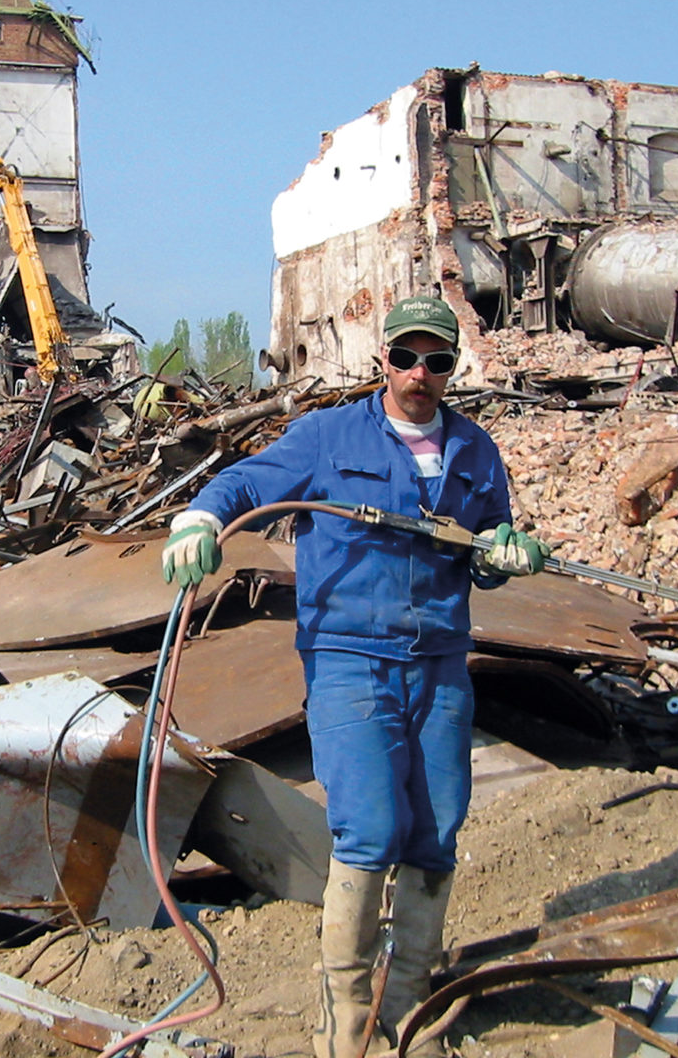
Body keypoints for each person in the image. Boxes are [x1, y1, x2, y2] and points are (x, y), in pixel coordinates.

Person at [161, 296, 547, 1058]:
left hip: (439, 663)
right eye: (405, 356)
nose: (419, 374)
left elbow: (485, 549)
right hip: (349, 661)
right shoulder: (329, 437)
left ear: (452, 368)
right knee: (369, 831)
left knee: (436, 835)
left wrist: (505, 553)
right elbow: (245, 484)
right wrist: (199, 520)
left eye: (436, 360)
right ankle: (347, 1026)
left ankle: (405, 1010)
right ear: (383, 361)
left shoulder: (474, 452)